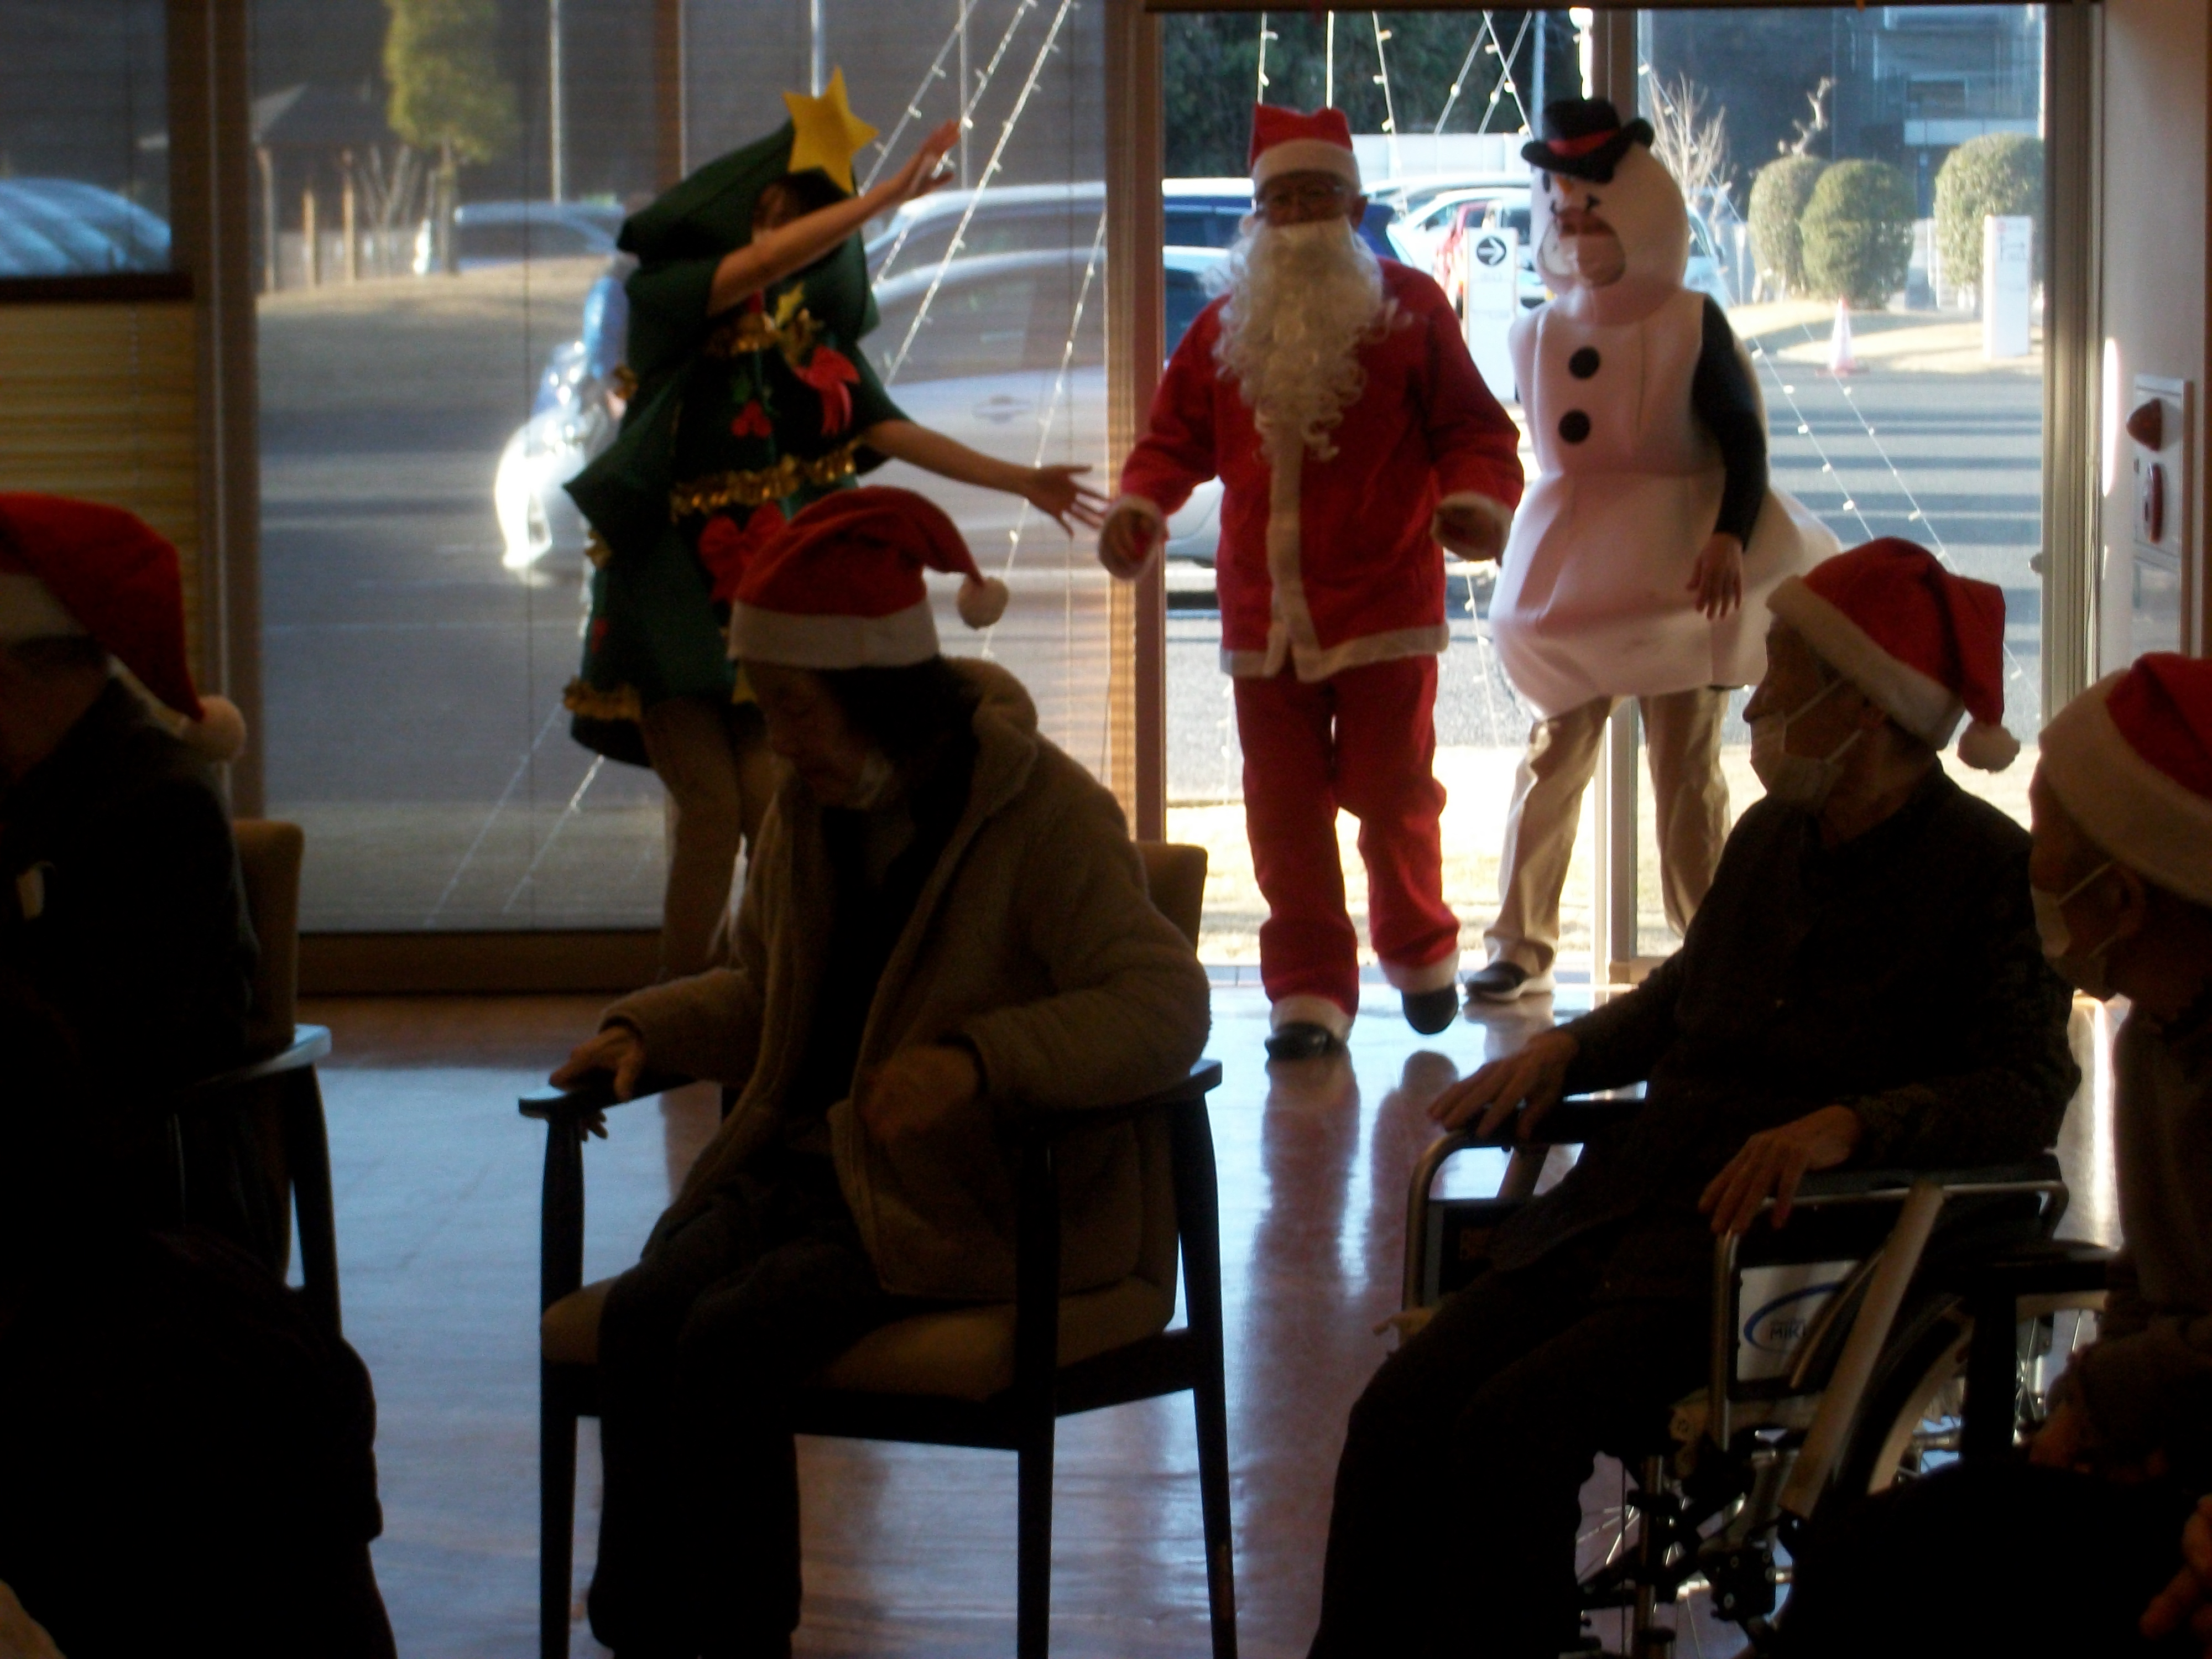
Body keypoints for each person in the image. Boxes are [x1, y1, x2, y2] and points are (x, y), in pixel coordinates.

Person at [1306, 538, 2078, 1658]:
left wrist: (1851, 1124)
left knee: (1511, 1427)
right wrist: (1566, 1049)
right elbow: (1686, 995)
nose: (1754, 706)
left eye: (1781, 680)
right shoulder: (1772, 836)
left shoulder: (1988, 873)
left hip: (1778, 1249)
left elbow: (2023, 1089)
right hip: (1637, 1207)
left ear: (1865, 708)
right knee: (1399, 1411)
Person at [551, 487, 1211, 1658]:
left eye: (794, 710)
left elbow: (1164, 1006)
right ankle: (644, 1637)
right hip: (810, 1172)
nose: (779, 741)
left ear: (877, 696)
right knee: (648, 1314)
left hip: (967, 1200)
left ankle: (733, 1643)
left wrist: (976, 1064)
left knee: (731, 1340)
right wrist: (649, 1032)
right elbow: (765, 993)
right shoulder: (809, 814)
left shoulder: (1044, 813)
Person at [566, 73, 1107, 980]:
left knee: (770, 810)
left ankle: (768, 998)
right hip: (668, 602)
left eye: (797, 224)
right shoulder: (674, 297)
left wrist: (1020, 480)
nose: (777, 238)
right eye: (767, 216)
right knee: (710, 813)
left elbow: (885, 428)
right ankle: (670, 1017)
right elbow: (752, 270)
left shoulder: (800, 341)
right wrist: (884, 197)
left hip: (761, 604)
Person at [0, 494, 393, 1659]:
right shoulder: (35, 780)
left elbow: (134, 1052)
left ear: (24, 673)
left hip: (138, 1188)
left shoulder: (152, 801)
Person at [1780, 652, 2212, 1658]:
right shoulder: (2154, 1035)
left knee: (1894, 1580)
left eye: (2049, 845)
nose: (2032, 872)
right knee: (1863, 1558)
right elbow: (2148, 1279)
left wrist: (2105, 1405)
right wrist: (2087, 1415)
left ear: (2124, 898)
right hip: (2155, 1440)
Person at [1099, 102, 1524, 1061]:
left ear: (1355, 208)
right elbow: (1172, 440)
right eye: (1280, 200)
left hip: (1383, 605)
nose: (1297, 217)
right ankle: (1308, 989)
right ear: (1257, 217)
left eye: (1317, 197)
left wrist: (1473, 502)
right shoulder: (1224, 329)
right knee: (1282, 816)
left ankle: (1419, 947)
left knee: (1393, 792)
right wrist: (1140, 506)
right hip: (1265, 621)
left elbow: (1473, 431)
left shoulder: (1411, 310)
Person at [1472, 98, 1839, 1004]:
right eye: (1565, 214)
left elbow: (1742, 440)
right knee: (1554, 757)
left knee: (1685, 773)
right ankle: (1519, 942)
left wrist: (1729, 536)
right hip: (1571, 583)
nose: (1576, 231)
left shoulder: (1690, 322)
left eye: (1594, 214)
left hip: (1682, 580)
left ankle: (1710, 942)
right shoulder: (1539, 332)